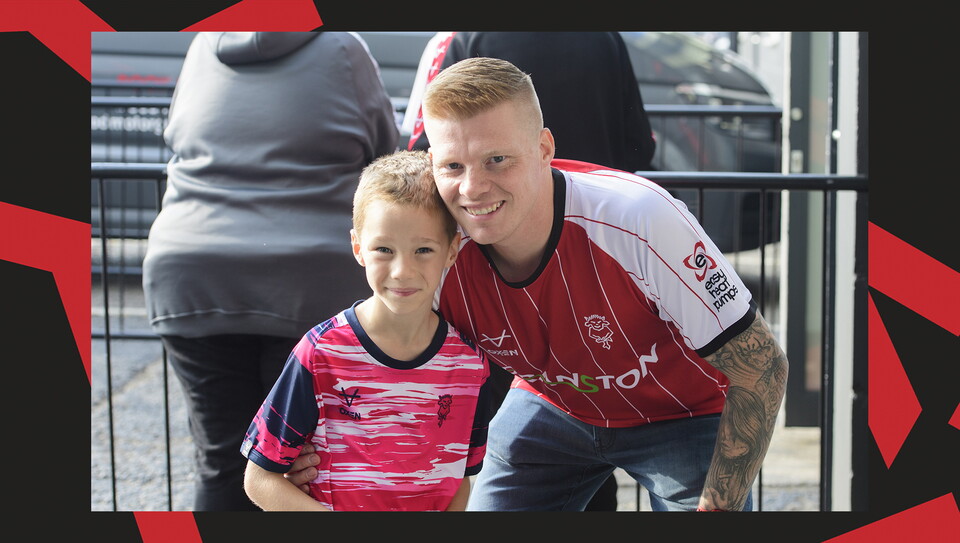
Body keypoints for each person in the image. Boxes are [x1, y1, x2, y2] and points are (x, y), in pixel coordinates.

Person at [288, 57, 788, 512]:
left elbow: (763, 366)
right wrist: (319, 444)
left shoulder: (640, 217)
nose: (473, 188)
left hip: (685, 416)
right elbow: (382, 359)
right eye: (453, 166)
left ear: (544, 148)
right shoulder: (435, 243)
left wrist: (718, 509)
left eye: (497, 160)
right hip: (555, 408)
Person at [141, 31, 399, 511]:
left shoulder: (204, 45)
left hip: (191, 274)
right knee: (310, 466)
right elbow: (385, 162)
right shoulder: (343, 49)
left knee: (224, 463)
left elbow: (179, 137)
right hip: (310, 284)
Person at [403, 30, 659, 510]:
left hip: (498, 273)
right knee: (581, 446)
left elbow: (419, 156)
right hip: (599, 255)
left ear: (545, 147)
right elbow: (637, 146)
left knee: (538, 450)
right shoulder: (602, 36)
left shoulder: (461, 37)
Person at [241, 150, 492, 511]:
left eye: (423, 249)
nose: (402, 271)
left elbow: (460, 480)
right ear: (358, 247)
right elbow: (259, 480)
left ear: (452, 250)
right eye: (384, 249)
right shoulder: (320, 354)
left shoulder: (471, 367)